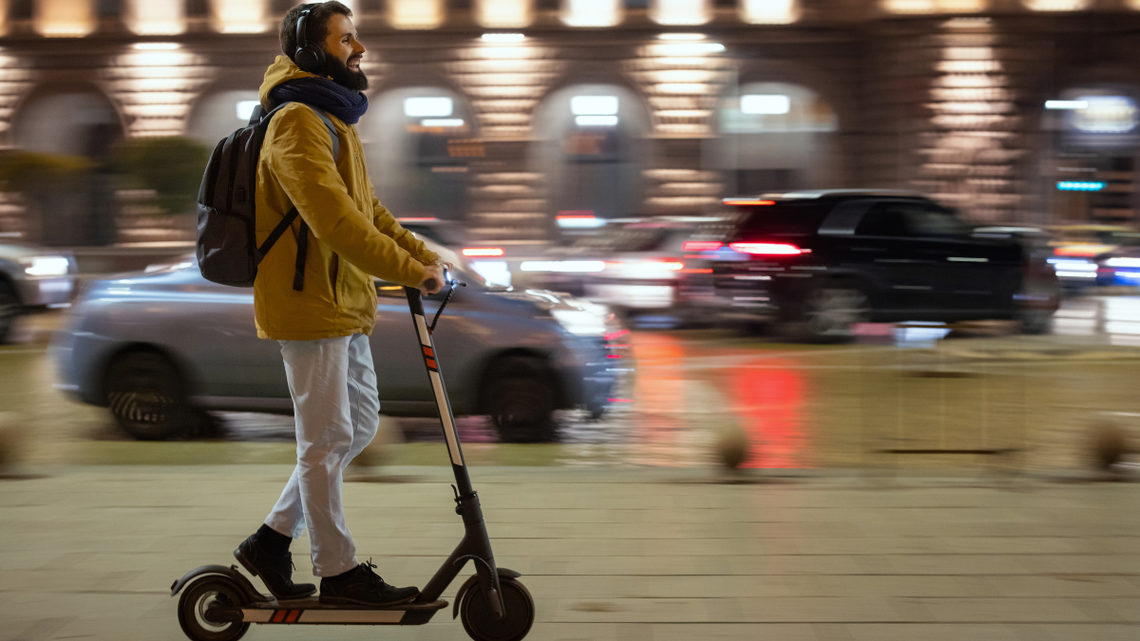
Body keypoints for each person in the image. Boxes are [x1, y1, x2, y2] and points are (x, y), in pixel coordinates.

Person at [233, 1, 445, 607]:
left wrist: (423, 256)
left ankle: (271, 540)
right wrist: (409, 272)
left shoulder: (333, 120)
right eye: (347, 39)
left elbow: (371, 211)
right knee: (324, 440)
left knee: (358, 426)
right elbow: (334, 221)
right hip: (308, 302)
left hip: (342, 300)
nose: (360, 49)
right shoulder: (295, 122)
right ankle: (340, 572)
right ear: (310, 51)